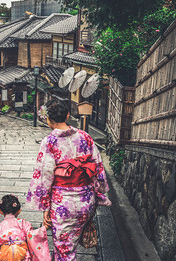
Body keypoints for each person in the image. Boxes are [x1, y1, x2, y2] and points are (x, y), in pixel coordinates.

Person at [26, 100, 111, 260]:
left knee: (64, 251)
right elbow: (98, 166)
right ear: (67, 115)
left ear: (48, 120)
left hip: (63, 204)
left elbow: (45, 176)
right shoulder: (85, 137)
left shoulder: (50, 142)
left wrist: (45, 206)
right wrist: (100, 191)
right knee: (69, 247)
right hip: (86, 202)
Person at [0, 194, 51, 261]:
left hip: (5, 255)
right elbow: (32, 236)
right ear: (19, 211)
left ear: (1, 211)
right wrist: (45, 228)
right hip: (21, 254)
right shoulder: (23, 223)